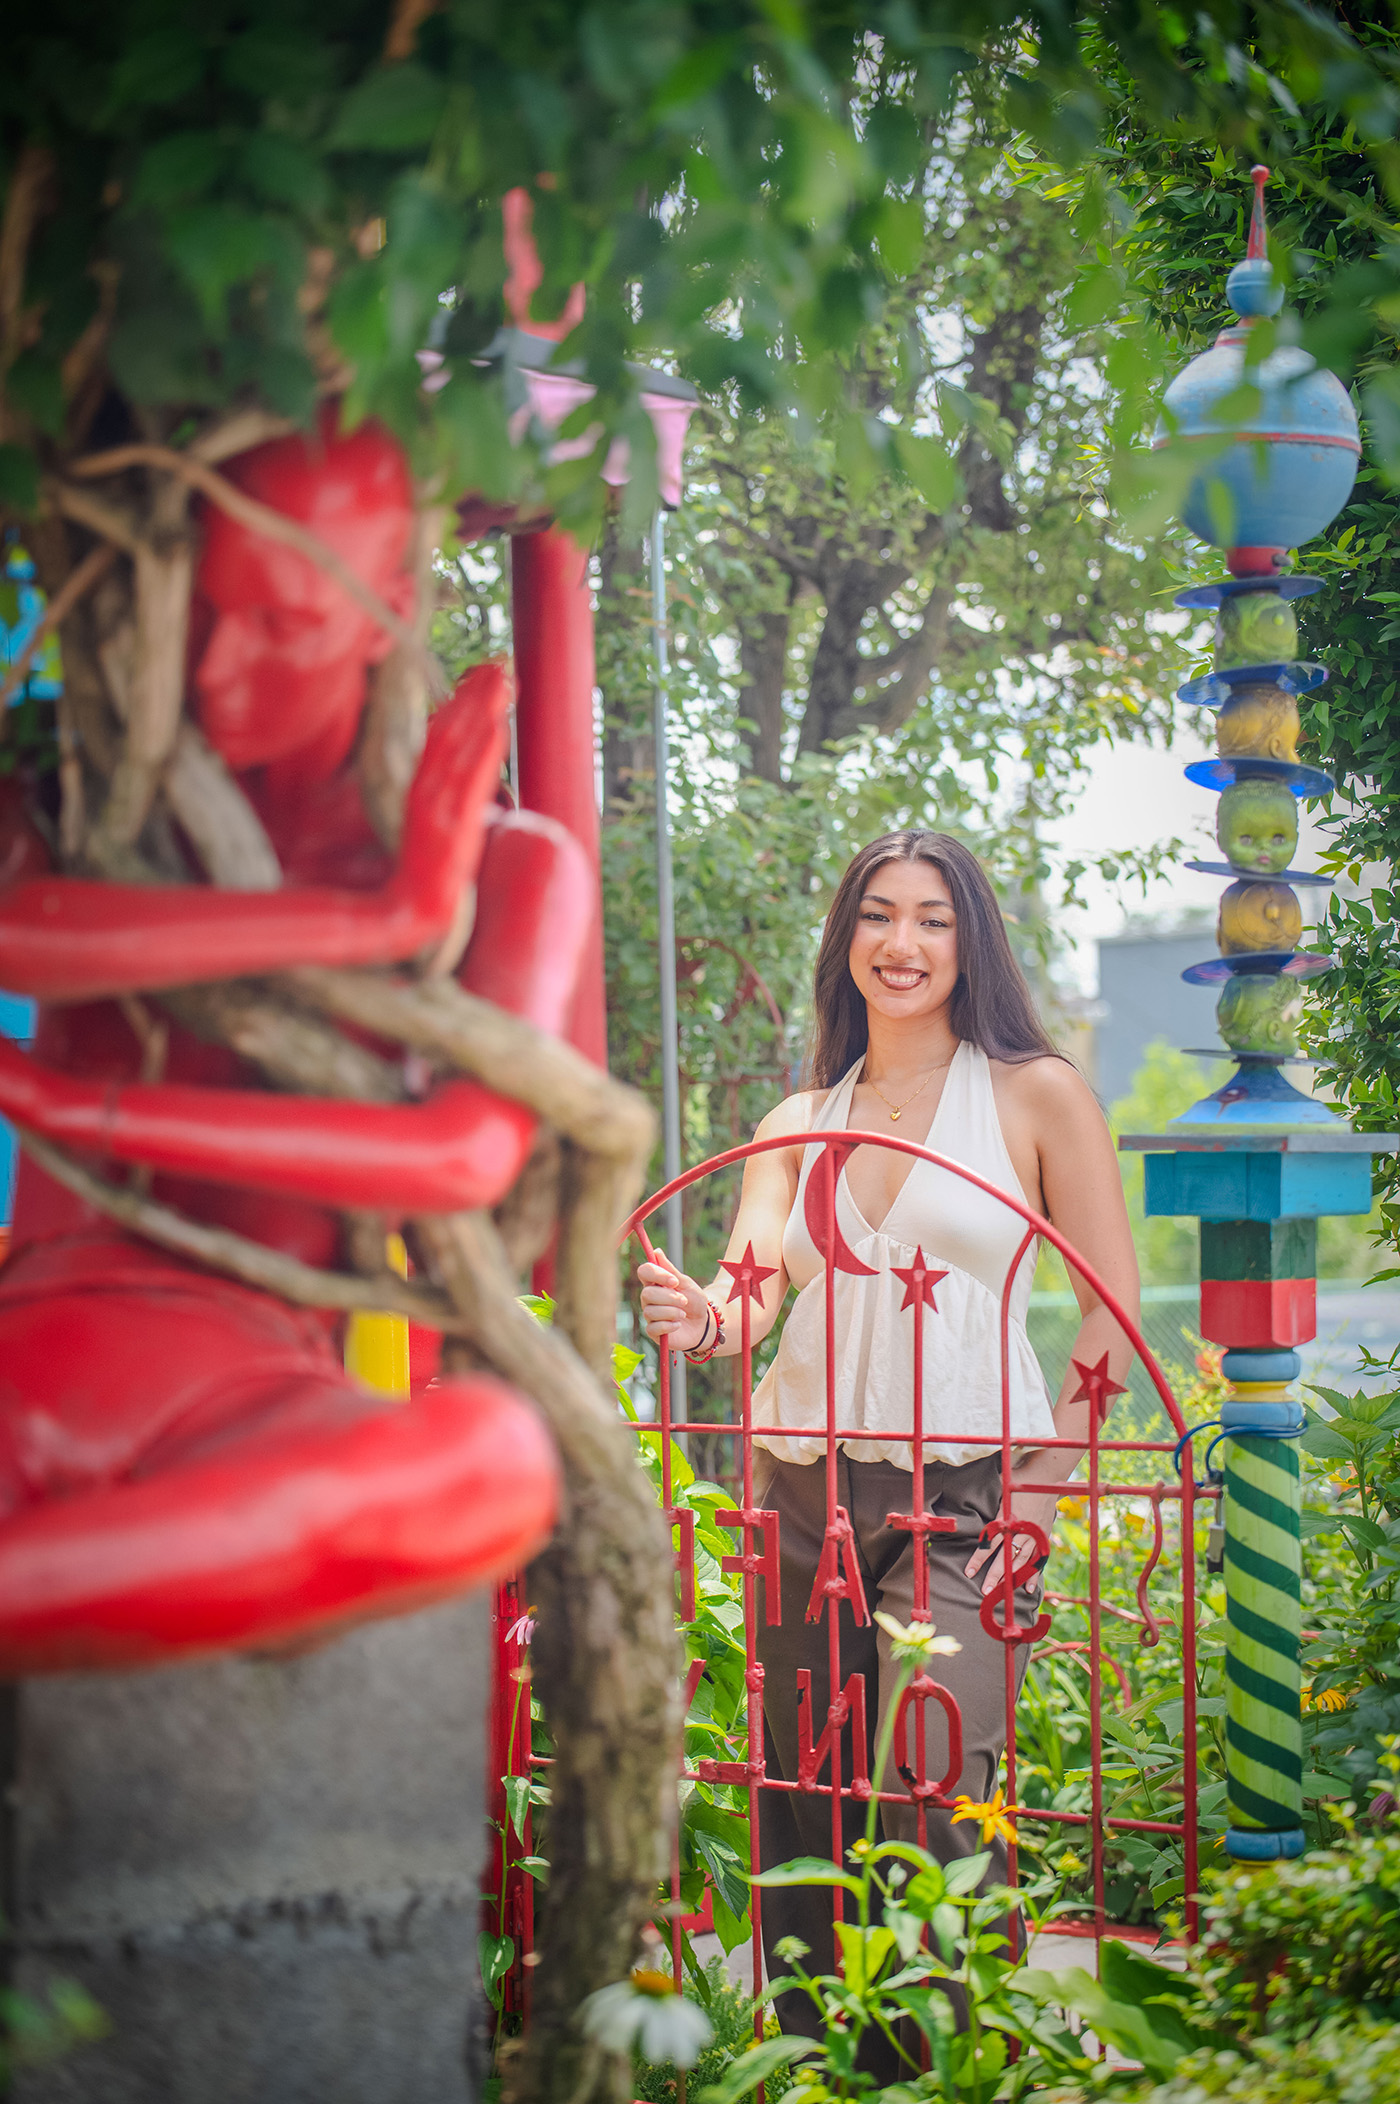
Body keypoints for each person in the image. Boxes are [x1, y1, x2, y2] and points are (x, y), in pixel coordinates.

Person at [638, 829, 1139, 2052]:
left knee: (936, 1787)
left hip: (967, 1495)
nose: (900, 943)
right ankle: (814, 2071)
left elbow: (1111, 1319)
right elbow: (751, 1285)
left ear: (969, 940)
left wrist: (1039, 1494)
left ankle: (950, 2068)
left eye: (930, 918)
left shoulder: (1033, 1094)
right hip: (801, 1493)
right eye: (876, 915)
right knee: (799, 1799)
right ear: (845, 938)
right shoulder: (799, 1114)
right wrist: (704, 1317)